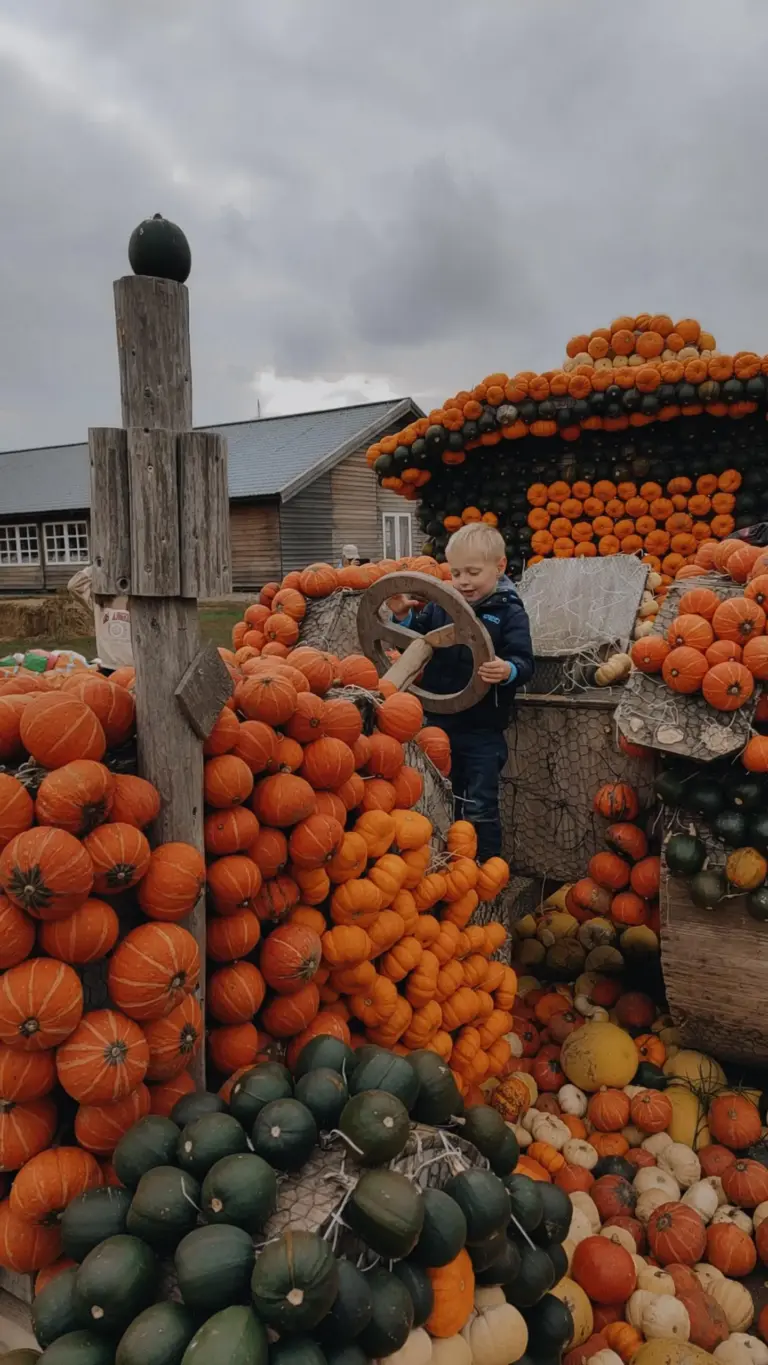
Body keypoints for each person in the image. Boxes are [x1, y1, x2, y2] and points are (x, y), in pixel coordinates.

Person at [387, 522, 533, 861]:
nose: (463, 581)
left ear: (499, 568)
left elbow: (525, 661)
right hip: (437, 719)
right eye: (456, 573)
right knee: (439, 793)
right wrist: (403, 618)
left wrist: (507, 669)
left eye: (472, 572)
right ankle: (443, 862)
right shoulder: (440, 606)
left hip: (483, 727)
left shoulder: (508, 612)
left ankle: (484, 868)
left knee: (479, 802)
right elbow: (417, 642)